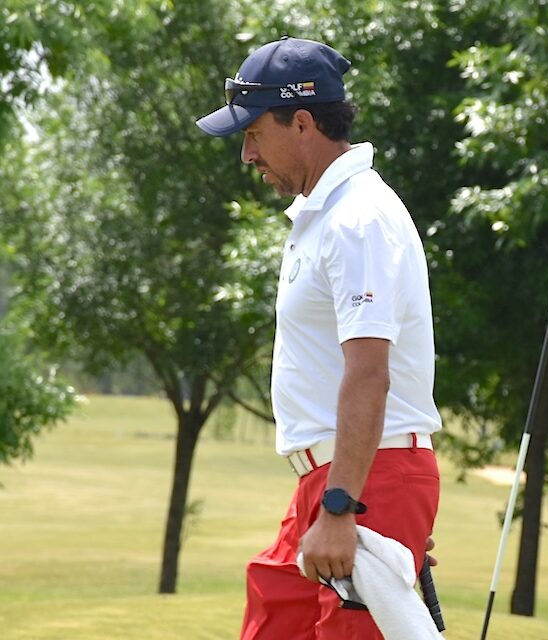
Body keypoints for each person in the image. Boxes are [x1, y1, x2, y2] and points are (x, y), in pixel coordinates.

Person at [196, 36, 442, 639]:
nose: (247, 155)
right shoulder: (326, 214)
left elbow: (369, 372)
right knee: (270, 618)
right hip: (339, 480)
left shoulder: (358, 219)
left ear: (301, 122)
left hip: (360, 481)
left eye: (253, 134)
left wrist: (347, 506)